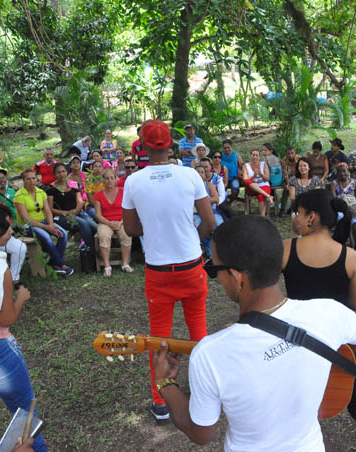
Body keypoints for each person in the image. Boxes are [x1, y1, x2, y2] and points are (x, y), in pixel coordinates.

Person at [153, 215, 356, 450]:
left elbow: (201, 433)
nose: (217, 278)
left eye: (214, 269)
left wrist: (166, 383)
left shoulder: (209, 353)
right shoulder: (328, 313)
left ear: (236, 276)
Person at [122, 119, 215, 421]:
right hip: (191, 266)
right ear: (171, 145)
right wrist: (192, 241)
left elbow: (132, 228)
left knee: (158, 336)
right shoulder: (189, 175)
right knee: (199, 332)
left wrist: (153, 229)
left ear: (144, 147)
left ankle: (159, 400)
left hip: (158, 271)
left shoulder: (134, 181)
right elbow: (209, 223)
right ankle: (206, 394)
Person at [283, 190, 356, 451]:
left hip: (298, 342)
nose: (295, 219)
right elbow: (355, 305)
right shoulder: (348, 256)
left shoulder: (287, 248)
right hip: (342, 343)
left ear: (311, 217)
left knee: (298, 405)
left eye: (298, 214)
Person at [0, 203, 47, 452]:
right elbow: (5, 319)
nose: (10, 231)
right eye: (4, 228)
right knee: (25, 413)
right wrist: (21, 299)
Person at [14, 169, 73, 276]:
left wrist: (51, 225)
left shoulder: (41, 192)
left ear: (37, 179)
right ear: (23, 180)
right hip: (27, 226)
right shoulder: (19, 196)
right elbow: (26, 219)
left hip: (43, 222)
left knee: (63, 233)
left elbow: (48, 211)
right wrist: (46, 227)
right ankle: (61, 264)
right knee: (46, 237)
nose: (31, 181)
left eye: (33, 178)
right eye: (28, 179)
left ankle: (53, 263)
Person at [46, 163, 95, 251]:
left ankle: (102, 244)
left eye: (63, 171)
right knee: (83, 223)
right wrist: (67, 213)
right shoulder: (51, 189)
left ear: (67, 172)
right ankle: (93, 250)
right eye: (58, 172)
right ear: (54, 174)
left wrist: (75, 211)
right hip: (60, 216)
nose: (62, 174)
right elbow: (50, 209)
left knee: (92, 223)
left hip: (76, 212)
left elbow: (80, 201)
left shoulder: (72, 184)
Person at [93, 168, 133, 276]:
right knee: (104, 236)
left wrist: (121, 222)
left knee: (126, 235)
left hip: (122, 220)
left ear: (115, 179)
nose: (109, 180)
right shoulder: (98, 195)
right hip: (105, 222)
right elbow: (98, 215)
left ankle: (125, 264)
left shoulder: (123, 191)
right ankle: (107, 266)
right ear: (103, 181)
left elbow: (128, 209)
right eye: (106, 178)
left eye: (112, 178)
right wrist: (109, 223)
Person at [333, 163, 356, 256]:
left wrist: (354, 207)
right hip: (340, 209)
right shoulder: (334, 183)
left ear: (348, 172)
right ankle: (341, 242)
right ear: (337, 174)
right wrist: (346, 209)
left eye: (344, 171)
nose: (342, 174)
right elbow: (334, 200)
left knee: (355, 220)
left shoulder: (354, 182)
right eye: (339, 172)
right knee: (341, 217)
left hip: (353, 206)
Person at [242, 149, 274, 216]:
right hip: (252, 188)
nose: (255, 157)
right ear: (250, 156)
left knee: (261, 195)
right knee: (247, 181)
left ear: (259, 157)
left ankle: (262, 217)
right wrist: (254, 176)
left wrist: (261, 174)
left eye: (257, 155)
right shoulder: (246, 165)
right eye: (253, 155)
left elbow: (267, 179)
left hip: (264, 185)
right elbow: (245, 179)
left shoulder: (264, 164)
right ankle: (268, 196)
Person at [221, 139, 244, 204]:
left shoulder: (236, 156)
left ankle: (229, 202)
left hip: (234, 178)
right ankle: (222, 205)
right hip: (223, 179)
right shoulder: (220, 156)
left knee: (235, 190)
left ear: (231, 147)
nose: (227, 149)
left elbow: (242, 166)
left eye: (228, 147)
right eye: (225, 148)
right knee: (220, 191)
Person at [278, 146, 300, 217]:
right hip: (287, 180)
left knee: (296, 188)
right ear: (286, 154)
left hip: (298, 179)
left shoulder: (299, 159)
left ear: (295, 153)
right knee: (287, 189)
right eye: (288, 153)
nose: (290, 155)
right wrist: (288, 183)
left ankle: (293, 208)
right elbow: (285, 174)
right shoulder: (283, 161)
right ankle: (283, 209)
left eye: (292, 153)